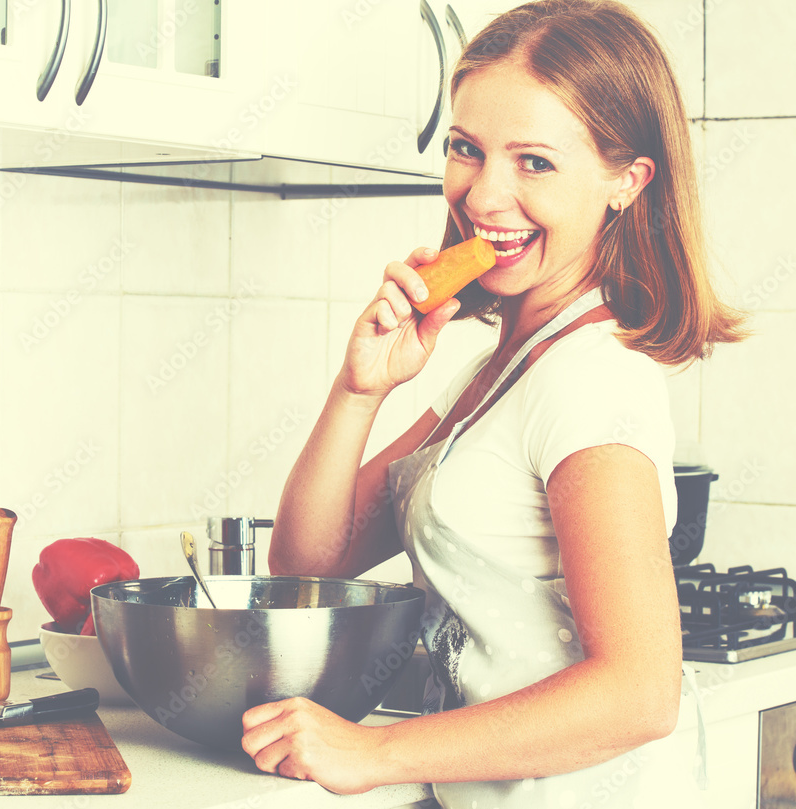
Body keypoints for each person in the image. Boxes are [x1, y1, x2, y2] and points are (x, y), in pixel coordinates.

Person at [239, 1, 746, 807]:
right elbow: (309, 565)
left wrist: (375, 752)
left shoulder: (590, 379)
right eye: (466, 149)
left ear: (626, 179)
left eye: (535, 162)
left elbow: (639, 692)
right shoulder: (500, 365)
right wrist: (359, 389)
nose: (484, 196)